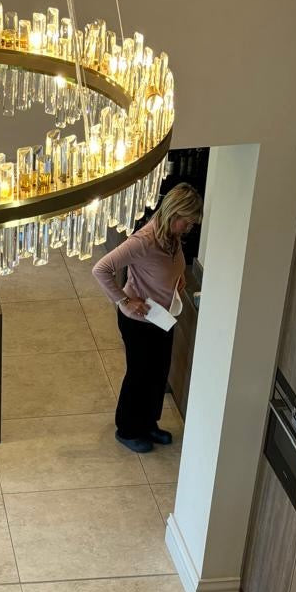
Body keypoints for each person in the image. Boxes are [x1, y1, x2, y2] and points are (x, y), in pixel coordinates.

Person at [91, 183, 203, 453]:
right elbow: (101, 269)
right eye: (186, 223)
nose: (187, 229)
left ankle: (148, 423)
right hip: (139, 321)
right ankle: (127, 429)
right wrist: (125, 301)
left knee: (158, 372)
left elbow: (166, 268)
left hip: (162, 316)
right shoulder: (144, 241)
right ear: (175, 215)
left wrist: (179, 281)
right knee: (139, 375)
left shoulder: (171, 238)